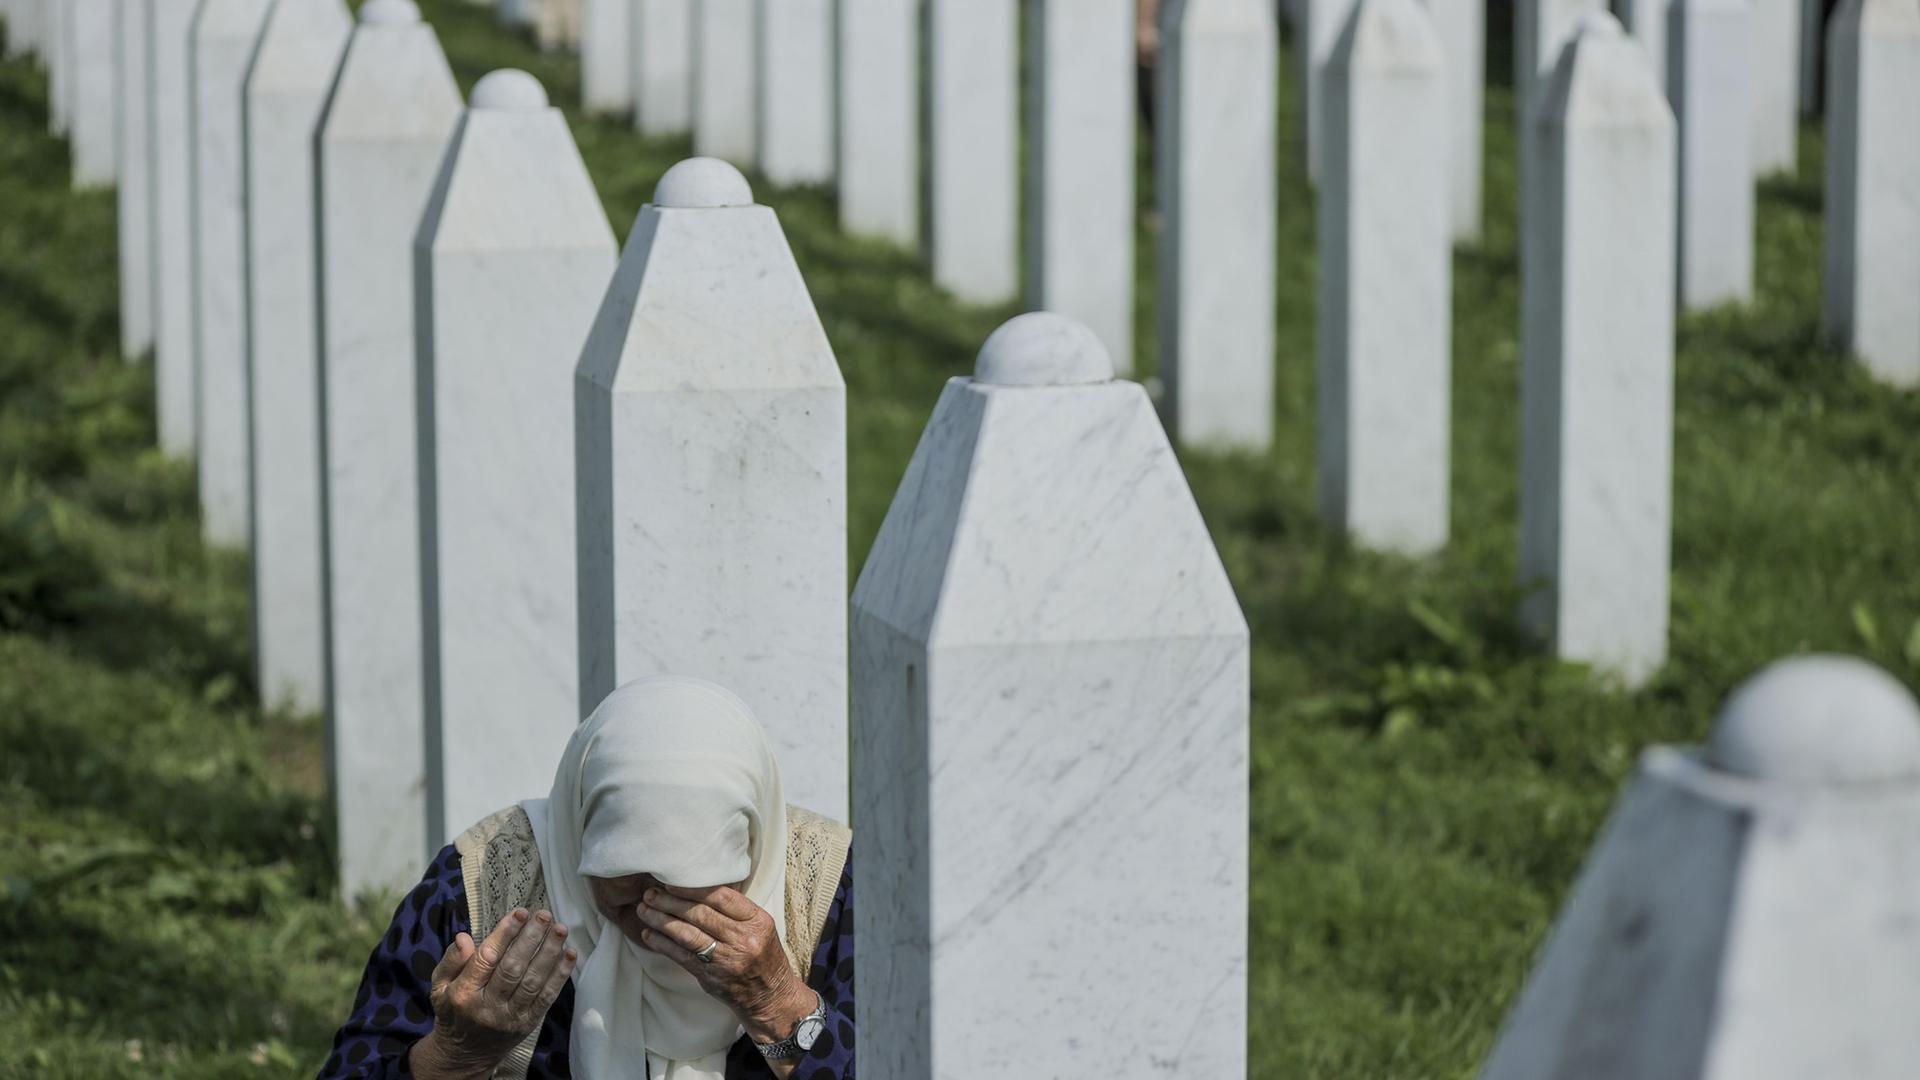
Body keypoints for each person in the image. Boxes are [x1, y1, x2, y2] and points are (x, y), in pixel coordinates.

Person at [318, 677, 855, 1079]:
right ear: (581, 835)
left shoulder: (829, 890)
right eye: (626, 868)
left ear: (753, 849)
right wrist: (454, 1056)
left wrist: (780, 1006)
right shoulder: (482, 885)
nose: (656, 901)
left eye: (695, 877)